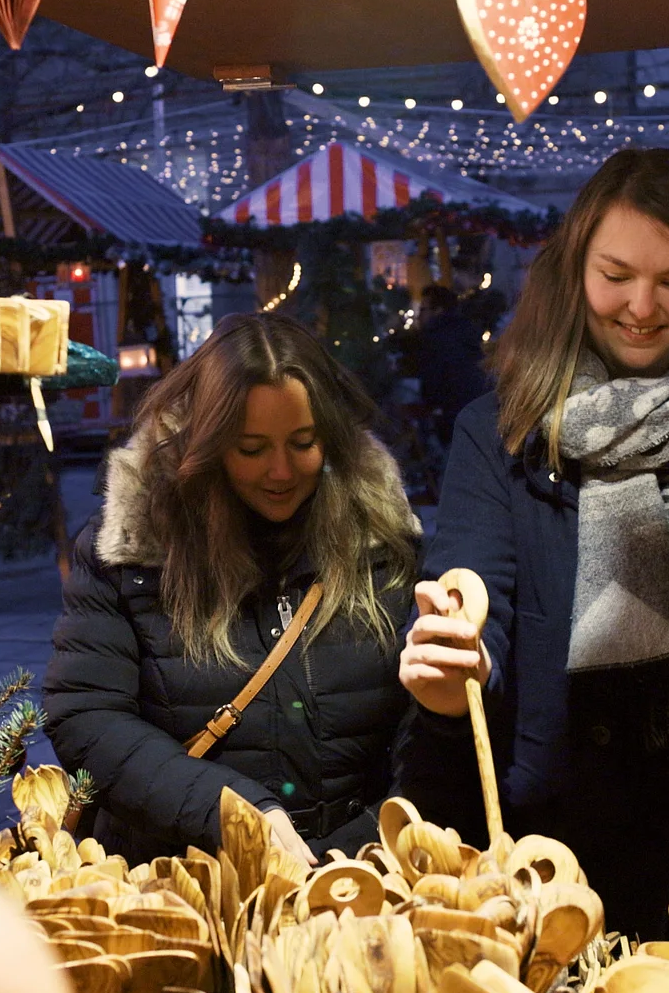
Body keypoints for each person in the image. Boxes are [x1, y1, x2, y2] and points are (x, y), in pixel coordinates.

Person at [394, 147, 669, 942]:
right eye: (616, 274)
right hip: (550, 866)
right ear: (574, 273)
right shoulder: (502, 433)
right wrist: (460, 653)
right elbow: (474, 595)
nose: (643, 306)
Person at [44, 313, 421, 864]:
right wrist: (230, 811)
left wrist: (357, 848)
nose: (280, 471)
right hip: (187, 880)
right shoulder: (133, 551)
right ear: (207, 443)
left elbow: (427, 735)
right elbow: (86, 715)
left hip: (357, 883)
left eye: (303, 442)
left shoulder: (382, 545)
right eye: (251, 448)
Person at [411, 283, 494, 449]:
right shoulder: (466, 331)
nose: (419, 316)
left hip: (453, 417)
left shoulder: (436, 339)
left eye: (423, 310)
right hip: (478, 414)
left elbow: (432, 385)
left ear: (438, 310)